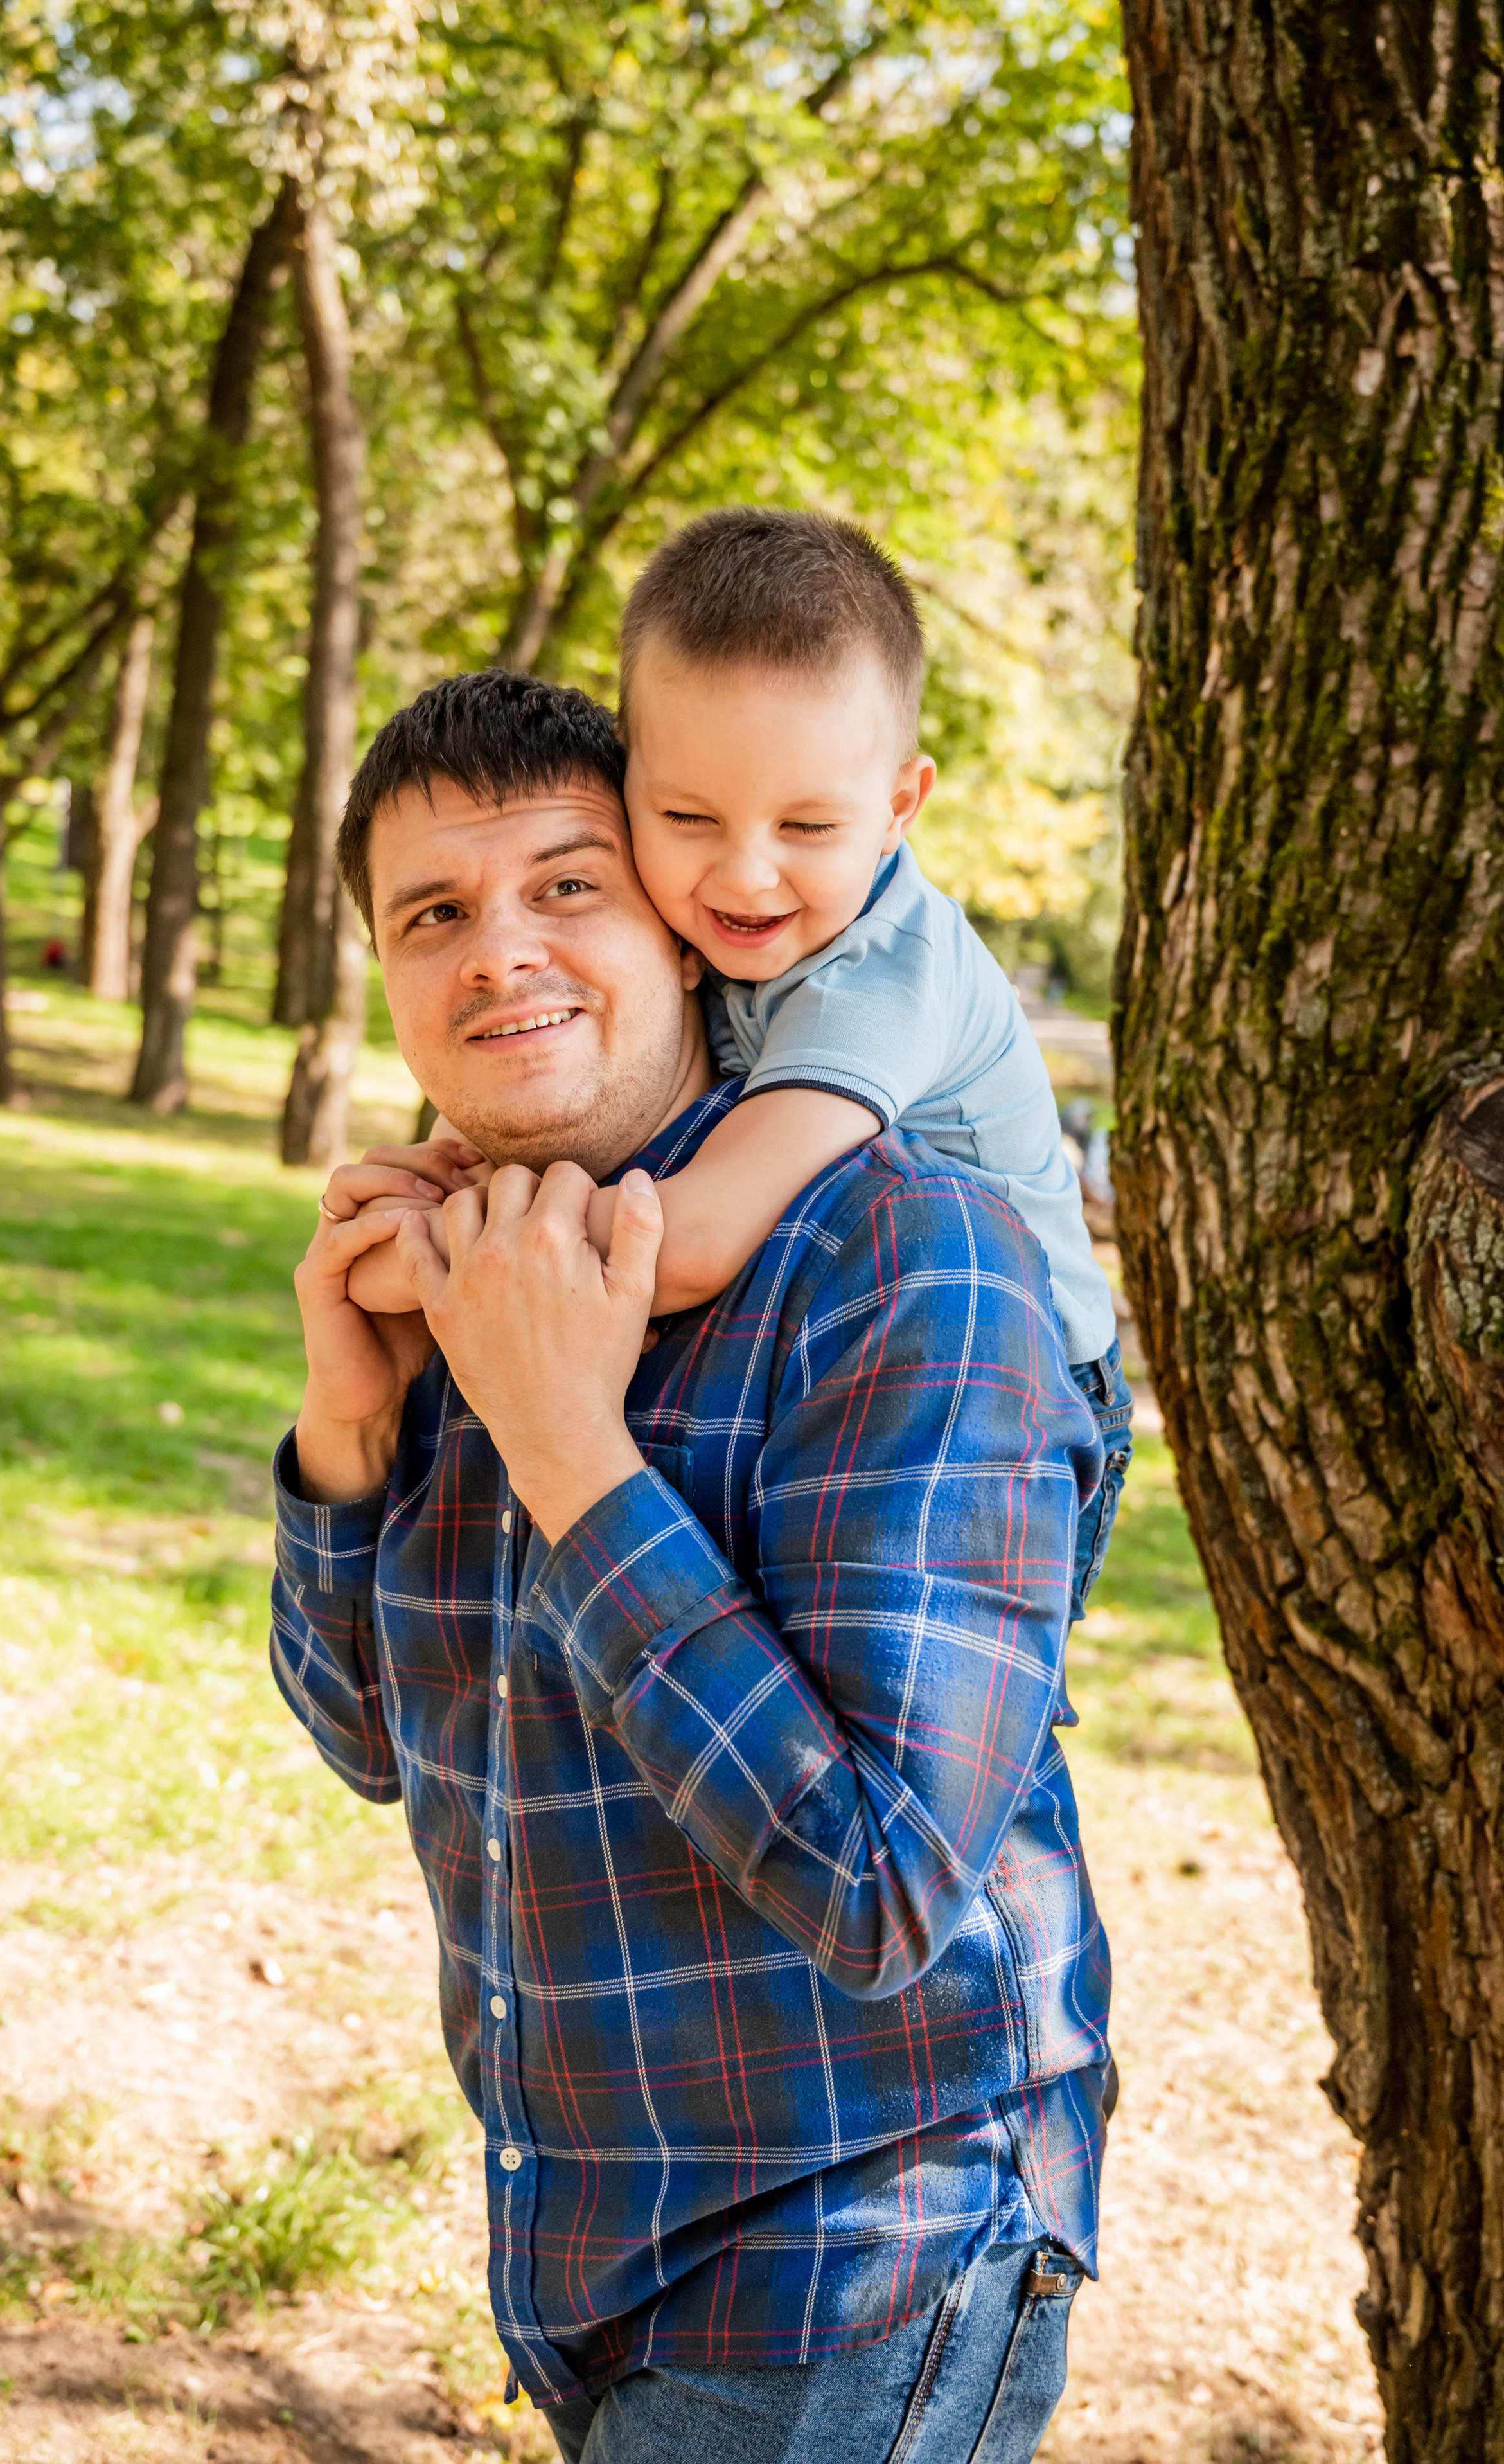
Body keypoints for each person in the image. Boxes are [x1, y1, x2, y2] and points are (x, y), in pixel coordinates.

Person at [276, 667, 1111, 2463]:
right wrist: (349, 1426)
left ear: (678, 916)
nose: (502, 952)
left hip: (863, 2236)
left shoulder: (902, 1255)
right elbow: (378, 1742)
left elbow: (885, 1892)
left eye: (567, 884)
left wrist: (573, 1445)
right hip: (596, 2247)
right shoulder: (476, 1251)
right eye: (436, 913)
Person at [349, 510, 1132, 1605]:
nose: (745, 877)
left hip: (1022, 1386)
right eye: (686, 814)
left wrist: (411, 1264)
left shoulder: (883, 977)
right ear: (630, 795)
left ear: (901, 806)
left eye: (807, 828)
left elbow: (703, 1236)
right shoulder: (727, 925)